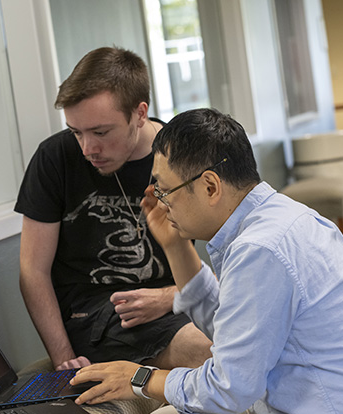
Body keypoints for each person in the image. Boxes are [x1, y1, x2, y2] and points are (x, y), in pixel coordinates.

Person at [70, 108, 343, 414]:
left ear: (209, 186)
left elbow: (229, 386)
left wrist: (138, 377)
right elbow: (232, 332)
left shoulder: (262, 248)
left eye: (165, 190)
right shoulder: (270, 219)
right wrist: (175, 247)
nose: (161, 202)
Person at [14, 47, 212, 371]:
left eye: (101, 132)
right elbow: (32, 271)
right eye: (76, 131)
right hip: (98, 314)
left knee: (258, 331)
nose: (88, 149)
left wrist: (167, 298)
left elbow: (223, 262)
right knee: (213, 350)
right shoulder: (54, 159)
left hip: (175, 300)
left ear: (140, 113)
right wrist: (64, 358)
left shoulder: (182, 156)